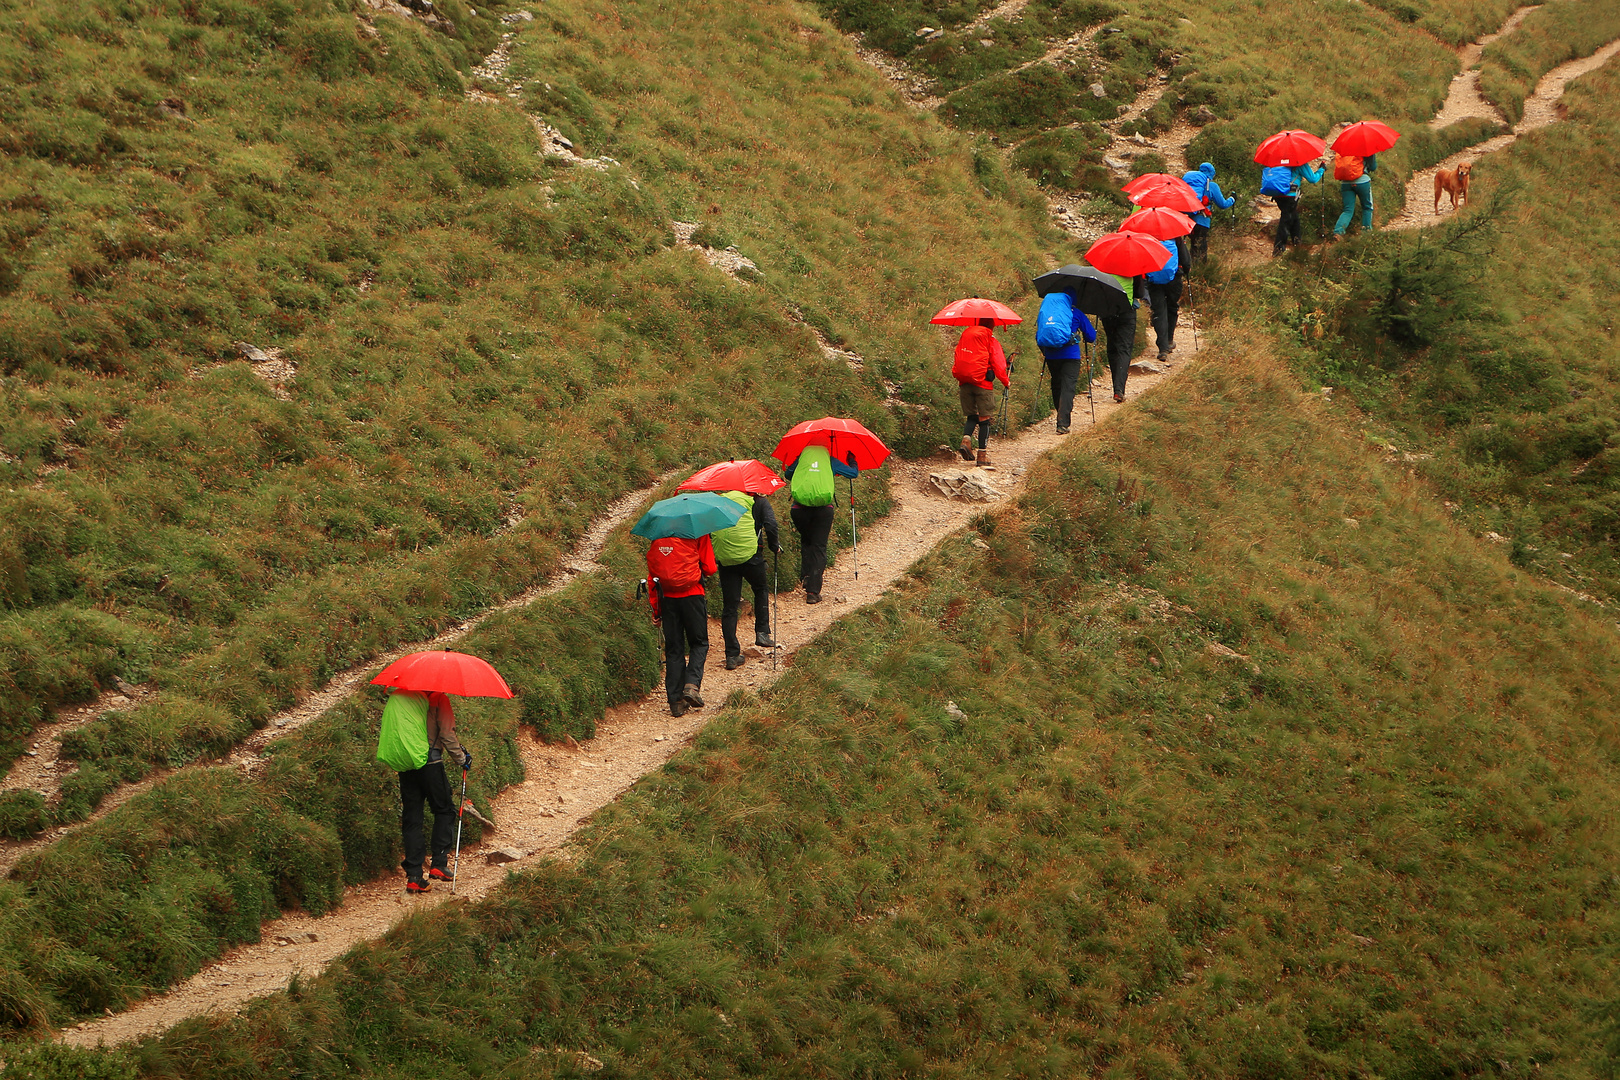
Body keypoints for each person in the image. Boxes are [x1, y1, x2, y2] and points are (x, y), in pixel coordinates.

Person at [376, 688, 470, 893]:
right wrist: (462, 759)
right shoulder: (438, 699)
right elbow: (446, 733)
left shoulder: (404, 698)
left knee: (413, 818)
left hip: (407, 763)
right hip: (430, 763)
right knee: (444, 809)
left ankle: (414, 876)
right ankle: (439, 863)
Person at [645, 529, 716, 717]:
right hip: (693, 595)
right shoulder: (697, 532)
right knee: (699, 643)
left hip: (667, 598)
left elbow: (653, 577)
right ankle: (691, 686)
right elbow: (710, 568)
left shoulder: (657, 536)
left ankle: (675, 702)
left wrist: (656, 610)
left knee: (674, 648)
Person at [711, 488, 780, 670]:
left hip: (726, 559)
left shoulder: (722, 501)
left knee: (730, 607)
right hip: (752, 556)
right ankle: (762, 632)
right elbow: (771, 525)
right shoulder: (758, 501)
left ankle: (731, 656)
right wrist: (774, 546)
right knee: (760, 589)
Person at [784, 441, 855, 604]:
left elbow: (788, 474)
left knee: (807, 541)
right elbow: (853, 473)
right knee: (819, 546)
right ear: (825, 448)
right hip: (823, 510)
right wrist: (852, 459)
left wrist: (800, 461)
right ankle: (813, 592)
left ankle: (806, 576)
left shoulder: (802, 459)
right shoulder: (830, 460)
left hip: (798, 509)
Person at [951, 317, 1011, 466]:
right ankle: (982, 456)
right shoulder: (990, 340)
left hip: (965, 382)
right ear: (992, 326)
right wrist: (1006, 381)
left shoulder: (966, 337)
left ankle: (966, 439)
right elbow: (998, 363)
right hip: (983, 384)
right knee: (985, 420)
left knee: (972, 416)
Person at [1035, 289, 1096, 434]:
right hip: (1071, 356)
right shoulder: (1075, 313)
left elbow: (1039, 334)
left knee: (1056, 384)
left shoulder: (1048, 312)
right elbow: (1091, 336)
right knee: (1068, 387)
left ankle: (1060, 412)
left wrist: (1046, 351)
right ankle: (1062, 423)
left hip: (1051, 355)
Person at [1098, 272, 1146, 404]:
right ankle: (1119, 390)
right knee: (1124, 349)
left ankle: (1116, 387)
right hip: (1126, 312)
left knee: (1112, 347)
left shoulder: (1104, 268)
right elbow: (1140, 293)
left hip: (1108, 312)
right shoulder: (1132, 268)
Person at [1144, 233, 1190, 363]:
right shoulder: (1176, 237)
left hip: (1154, 281)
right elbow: (1186, 262)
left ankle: (1162, 348)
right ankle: (1169, 340)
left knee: (1158, 311)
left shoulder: (1148, 238)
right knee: (1172, 307)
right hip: (1174, 279)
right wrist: (1186, 270)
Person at [1265, 158, 1324, 256]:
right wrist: (1321, 169)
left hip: (1277, 194)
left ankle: (1297, 241)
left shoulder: (1277, 160)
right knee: (1286, 219)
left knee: (1293, 216)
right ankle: (1278, 248)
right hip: (1290, 196)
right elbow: (1313, 179)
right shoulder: (1299, 162)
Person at [1181, 162, 1235, 265]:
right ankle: (1201, 271)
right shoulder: (1211, 185)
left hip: (1188, 221)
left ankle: (1192, 269)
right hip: (1202, 221)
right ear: (1212, 173)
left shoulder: (1191, 184)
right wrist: (1232, 199)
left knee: (1193, 247)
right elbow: (1222, 204)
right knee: (1201, 249)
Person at [1332, 151, 1378, 237]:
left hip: (1346, 183)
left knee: (1348, 210)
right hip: (1362, 181)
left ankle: (1338, 231)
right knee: (1367, 207)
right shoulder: (1366, 148)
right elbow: (1373, 167)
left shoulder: (1344, 149)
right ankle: (1366, 232)